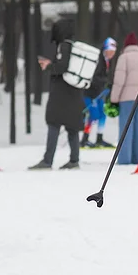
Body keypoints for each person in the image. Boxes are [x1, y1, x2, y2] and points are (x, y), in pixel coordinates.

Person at [29, 19, 85, 170]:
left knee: (53, 124)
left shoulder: (64, 46)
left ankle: (47, 160)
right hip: (73, 93)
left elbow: (62, 67)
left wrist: (48, 66)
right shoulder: (73, 46)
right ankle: (74, 160)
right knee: (72, 128)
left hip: (61, 95)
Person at [109, 32, 138, 165]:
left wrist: (114, 99)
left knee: (126, 129)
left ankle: (124, 160)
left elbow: (119, 80)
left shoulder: (124, 58)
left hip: (127, 99)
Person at [83, 38, 116, 148]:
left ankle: (99, 138)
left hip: (100, 93)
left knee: (103, 114)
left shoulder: (108, 61)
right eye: (110, 51)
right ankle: (85, 138)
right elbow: (94, 77)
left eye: (113, 52)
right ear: (105, 50)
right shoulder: (98, 59)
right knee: (94, 115)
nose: (112, 54)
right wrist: (106, 83)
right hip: (90, 93)